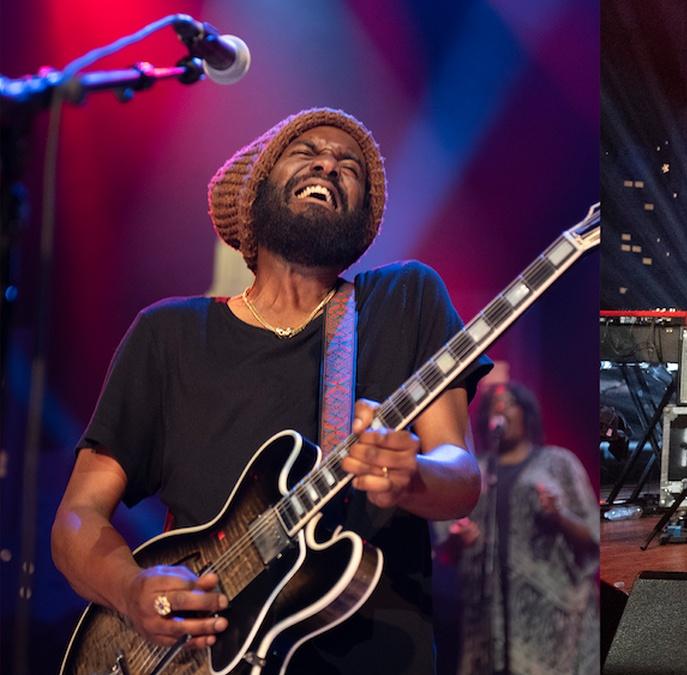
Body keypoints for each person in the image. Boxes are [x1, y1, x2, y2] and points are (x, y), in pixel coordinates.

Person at [51, 108, 491, 673]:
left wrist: (416, 475)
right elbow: (76, 518)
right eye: (306, 152)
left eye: (350, 166)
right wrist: (130, 590)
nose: (329, 164)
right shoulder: (169, 335)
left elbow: (461, 474)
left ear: (362, 225)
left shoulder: (405, 298)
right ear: (256, 194)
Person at [441, 382, 598, 675]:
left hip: (551, 616)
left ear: (526, 413)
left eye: (509, 403)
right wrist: (460, 538)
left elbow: (592, 537)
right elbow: (444, 548)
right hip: (485, 618)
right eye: (492, 404)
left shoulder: (557, 463)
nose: (500, 409)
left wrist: (560, 516)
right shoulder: (475, 472)